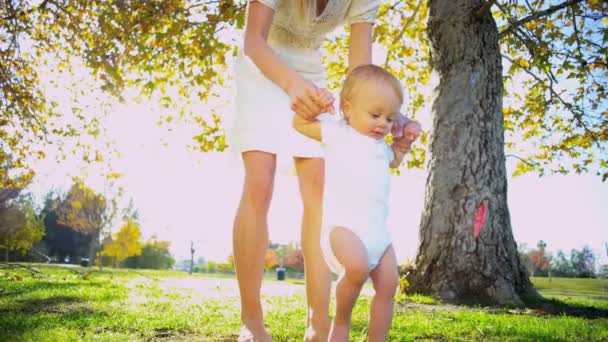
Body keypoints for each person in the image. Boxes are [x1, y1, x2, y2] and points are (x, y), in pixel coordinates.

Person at [231, 1, 417, 341]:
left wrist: (381, 110)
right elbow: (253, 40)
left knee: (317, 188)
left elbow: (361, 71)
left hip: (311, 73)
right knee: (260, 181)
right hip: (262, 66)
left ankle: (318, 324)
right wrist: (291, 86)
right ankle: (252, 321)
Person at [292, 64, 421, 341]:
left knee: (389, 284)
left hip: (379, 234)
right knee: (357, 268)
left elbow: (394, 161)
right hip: (343, 228)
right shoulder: (338, 132)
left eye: (389, 119)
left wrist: (402, 146)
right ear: (348, 108)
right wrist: (314, 108)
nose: (382, 124)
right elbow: (299, 124)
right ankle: (340, 325)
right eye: (375, 115)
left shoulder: (381, 148)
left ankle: (377, 338)